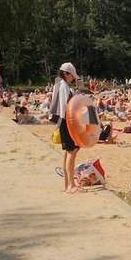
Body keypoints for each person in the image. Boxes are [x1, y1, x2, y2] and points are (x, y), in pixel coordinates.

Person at [48, 62, 82, 193]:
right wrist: (72, 124)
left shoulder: (59, 84)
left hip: (63, 121)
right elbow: (65, 107)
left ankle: (66, 184)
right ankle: (71, 186)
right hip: (66, 121)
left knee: (66, 152)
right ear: (66, 74)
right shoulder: (63, 86)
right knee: (71, 153)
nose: (73, 78)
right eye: (72, 76)